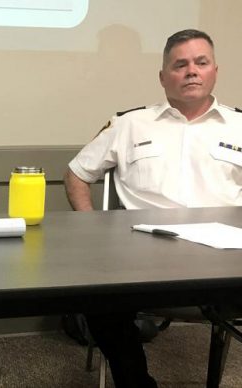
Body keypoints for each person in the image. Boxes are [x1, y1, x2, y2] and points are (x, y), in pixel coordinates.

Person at [64, 29, 242, 387]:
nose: (191, 71)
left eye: (200, 62)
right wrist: (92, 230)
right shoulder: (130, 124)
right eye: (180, 64)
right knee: (98, 299)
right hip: (142, 260)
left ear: (215, 71)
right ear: (163, 77)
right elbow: (76, 174)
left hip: (228, 260)